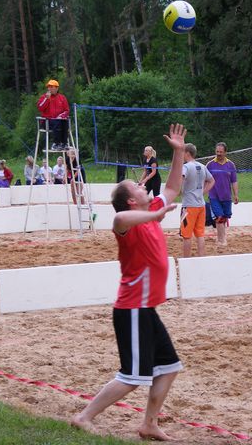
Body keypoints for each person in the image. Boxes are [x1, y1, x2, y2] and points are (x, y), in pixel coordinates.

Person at [71, 123, 187, 441]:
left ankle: (149, 424)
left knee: (169, 367)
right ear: (132, 201)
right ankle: (83, 417)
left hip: (145, 309)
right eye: (136, 187)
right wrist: (154, 216)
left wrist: (178, 152)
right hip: (132, 308)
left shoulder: (150, 210)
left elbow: (173, 187)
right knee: (133, 377)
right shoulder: (129, 222)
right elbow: (119, 219)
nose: (141, 185)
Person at [180, 143, 215, 257]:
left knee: (186, 235)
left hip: (189, 205)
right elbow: (212, 181)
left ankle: (186, 260)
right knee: (200, 235)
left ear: (187, 153)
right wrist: (202, 192)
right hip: (201, 205)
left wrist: (178, 191)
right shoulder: (202, 166)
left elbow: (180, 180)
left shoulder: (186, 167)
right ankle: (201, 258)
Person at [206, 142, 239, 247]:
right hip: (214, 196)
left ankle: (221, 237)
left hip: (226, 196)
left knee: (224, 217)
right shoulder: (210, 164)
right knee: (219, 217)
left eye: (221, 152)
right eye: (217, 151)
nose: (219, 153)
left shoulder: (231, 165)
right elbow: (205, 180)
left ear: (225, 152)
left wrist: (236, 195)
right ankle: (222, 240)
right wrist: (203, 191)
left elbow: (234, 181)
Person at [36, 79, 70, 151]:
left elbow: (67, 110)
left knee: (64, 122)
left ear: (57, 88)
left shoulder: (62, 97)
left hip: (58, 120)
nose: (49, 89)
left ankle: (64, 143)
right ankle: (56, 144)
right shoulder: (44, 97)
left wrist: (61, 116)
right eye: (48, 87)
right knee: (57, 122)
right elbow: (40, 108)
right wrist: (47, 99)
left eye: (51, 87)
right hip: (46, 121)